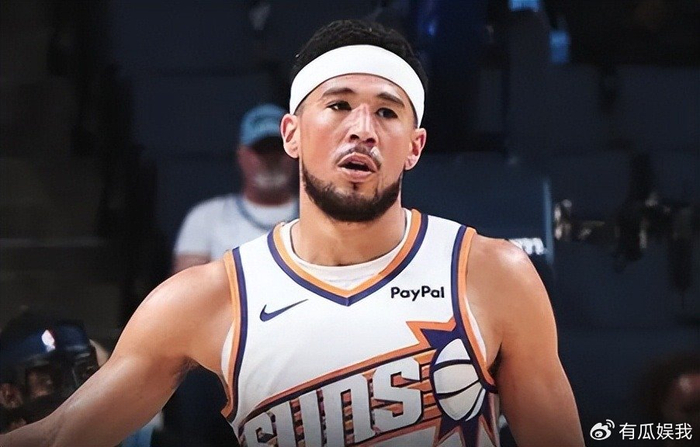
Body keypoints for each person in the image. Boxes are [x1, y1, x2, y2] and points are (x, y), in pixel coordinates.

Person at [1, 19, 585, 447]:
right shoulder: (211, 298)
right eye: (338, 105)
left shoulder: (493, 275)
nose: (362, 128)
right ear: (291, 134)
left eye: (387, 111)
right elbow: (59, 437)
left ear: (414, 146)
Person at [171, 102, 298, 274]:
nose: (271, 159)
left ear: (295, 153)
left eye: (278, 149)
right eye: (261, 150)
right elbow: (187, 287)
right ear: (241, 155)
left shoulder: (318, 215)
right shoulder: (205, 217)